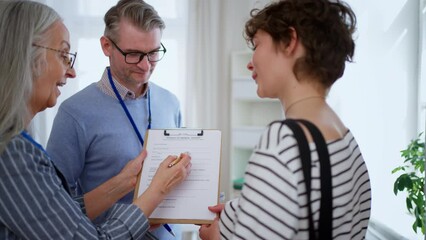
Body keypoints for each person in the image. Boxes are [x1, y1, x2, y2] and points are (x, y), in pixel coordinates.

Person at [0, 1, 191, 239]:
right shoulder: (71, 114)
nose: (145, 65)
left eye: (152, 53)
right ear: (106, 46)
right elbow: (61, 213)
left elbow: (53, 210)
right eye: (133, 54)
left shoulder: (170, 102)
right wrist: (147, 203)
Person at [199, 0, 371, 239]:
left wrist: (214, 238)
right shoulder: (343, 134)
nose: (251, 62)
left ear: (290, 41)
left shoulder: (282, 141)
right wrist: (237, 211)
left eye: (257, 45)